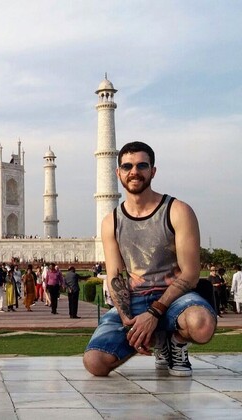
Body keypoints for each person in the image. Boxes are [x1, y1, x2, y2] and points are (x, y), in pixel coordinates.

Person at [83, 141, 216, 378]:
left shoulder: (177, 210)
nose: (134, 171)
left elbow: (191, 273)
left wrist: (154, 313)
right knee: (95, 363)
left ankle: (176, 342)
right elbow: (115, 276)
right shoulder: (112, 221)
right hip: (136, 300)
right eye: (127, 166)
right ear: (118, 173)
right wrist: (128, 321)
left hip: (177, 298)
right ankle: (158, 339)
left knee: (201, 325)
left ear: (153, 171)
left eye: (141, 166)